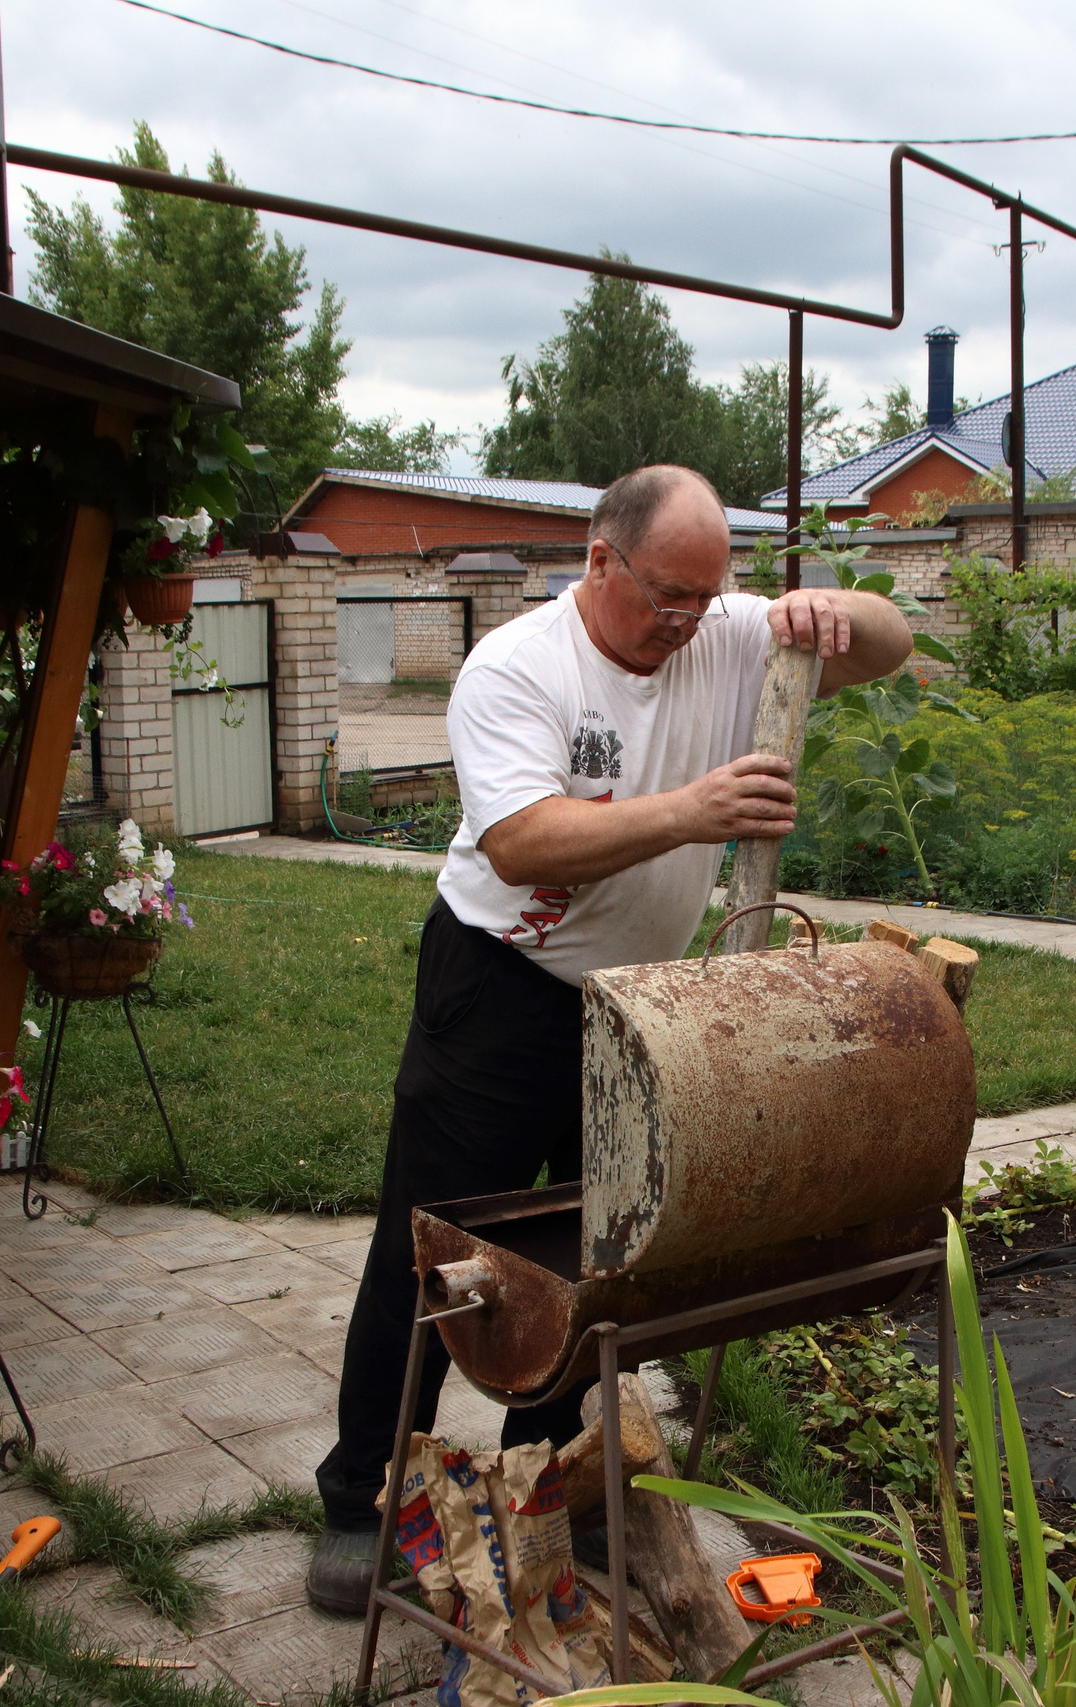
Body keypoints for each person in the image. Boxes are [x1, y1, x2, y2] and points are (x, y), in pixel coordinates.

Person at [303, 465, 914, 1614]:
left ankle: (547, 1487)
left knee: (594, 1258)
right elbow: (525, 843)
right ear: (600, 561)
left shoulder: (725, 629)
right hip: (496, 987)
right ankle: (361, 1503)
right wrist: (694, 811)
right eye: (667, 598)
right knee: (436, 1254)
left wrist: (839, 613)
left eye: (707, 597)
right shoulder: (517, 668)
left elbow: (887, 645)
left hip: (632, 1004)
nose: (688, 624)